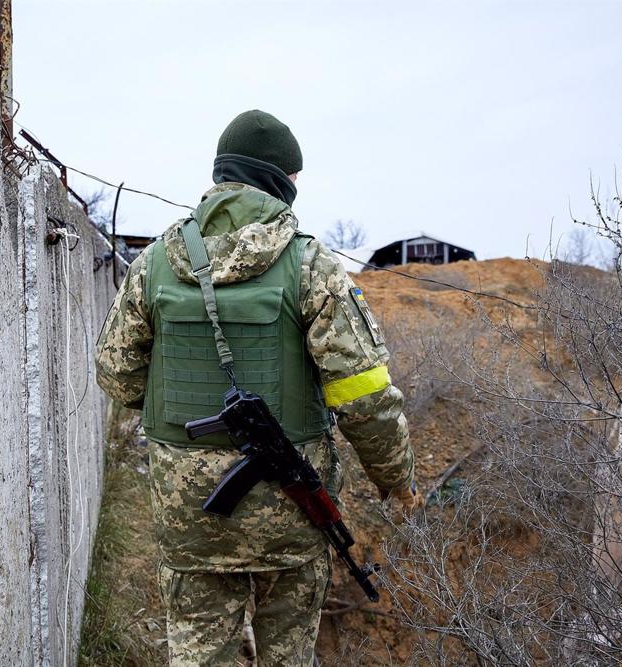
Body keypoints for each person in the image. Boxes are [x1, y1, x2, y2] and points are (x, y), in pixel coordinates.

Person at [95, 109, 419, 666]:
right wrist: (397, 481)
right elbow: (364, 396)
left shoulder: (155, 261)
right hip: (290, 511)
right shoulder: (310, 263)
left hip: (188, 510)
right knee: (288, 653)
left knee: (199, 655)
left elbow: (116, 372)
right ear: (281, 180)